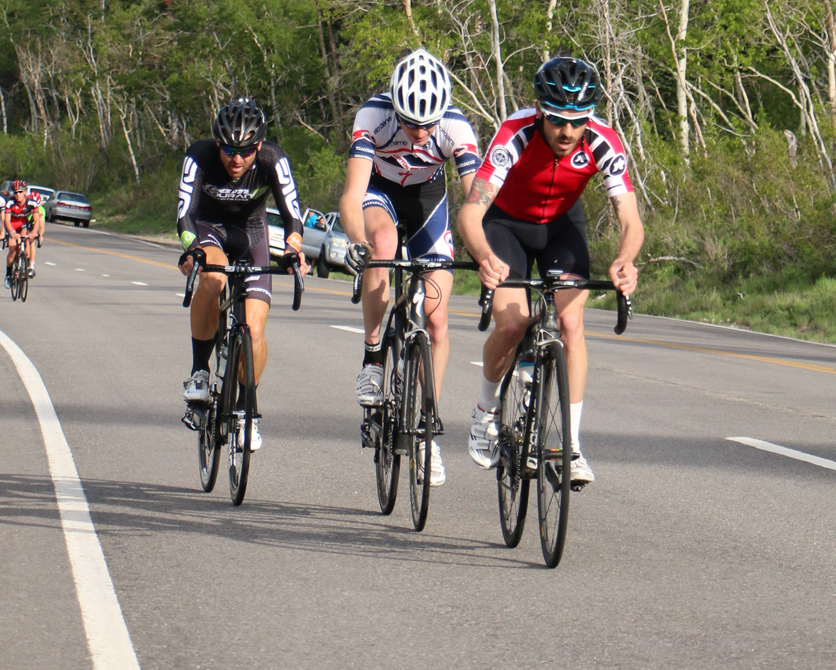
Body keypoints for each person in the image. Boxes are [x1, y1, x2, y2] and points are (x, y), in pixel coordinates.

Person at [457, 55, 643, 487]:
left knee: (571, 323)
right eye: (558, 120)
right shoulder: (514, 134)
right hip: (505, 225)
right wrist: (485, 256)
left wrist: (625, 259)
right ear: (540, 110)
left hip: (561, 225)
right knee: (512, 322)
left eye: (578, 121)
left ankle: (572, 445)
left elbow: (631, 221)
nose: (567, 132)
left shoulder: (603, 142)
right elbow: (471, 215)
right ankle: (485, 411)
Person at [337, 48, 482, 488]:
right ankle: (373, 357)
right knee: (382, 243)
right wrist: (357, 243)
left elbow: (477, 199)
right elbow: (351, 194)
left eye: (428, 124)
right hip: (378, 194)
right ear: (395, 107)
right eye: (411, 122)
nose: (420, 133)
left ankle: (425, 433)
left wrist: (487, 248)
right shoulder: (373, 116)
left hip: (427, 203)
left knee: (437, 321)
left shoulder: (456, 126)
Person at [177, 97, 306, 450]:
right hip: (208, 228)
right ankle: (200, 372)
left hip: (250, 232)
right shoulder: (199, 155)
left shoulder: (273, 160)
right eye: (230, 149)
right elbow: (185, 214)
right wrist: (193, 248)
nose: (237, 159)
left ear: (259, 146)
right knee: (215, 276)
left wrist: (294, 247)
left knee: (254, 329)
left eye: (246, 151)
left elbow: (292, 215)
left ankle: (247, 409)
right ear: (218, 142)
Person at [4, 180, 41, 281]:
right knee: (12, 250)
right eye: (15, 192)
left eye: (20, 192)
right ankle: (8, 274)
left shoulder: (31, 203)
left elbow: (37, 220)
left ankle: (26, 265)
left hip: (22, 225)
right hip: (11, 226)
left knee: (26, 239)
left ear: (24, 192)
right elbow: (6, 221)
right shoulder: (10, 203)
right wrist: (12, 233)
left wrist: (34, 232)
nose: (18, 194)